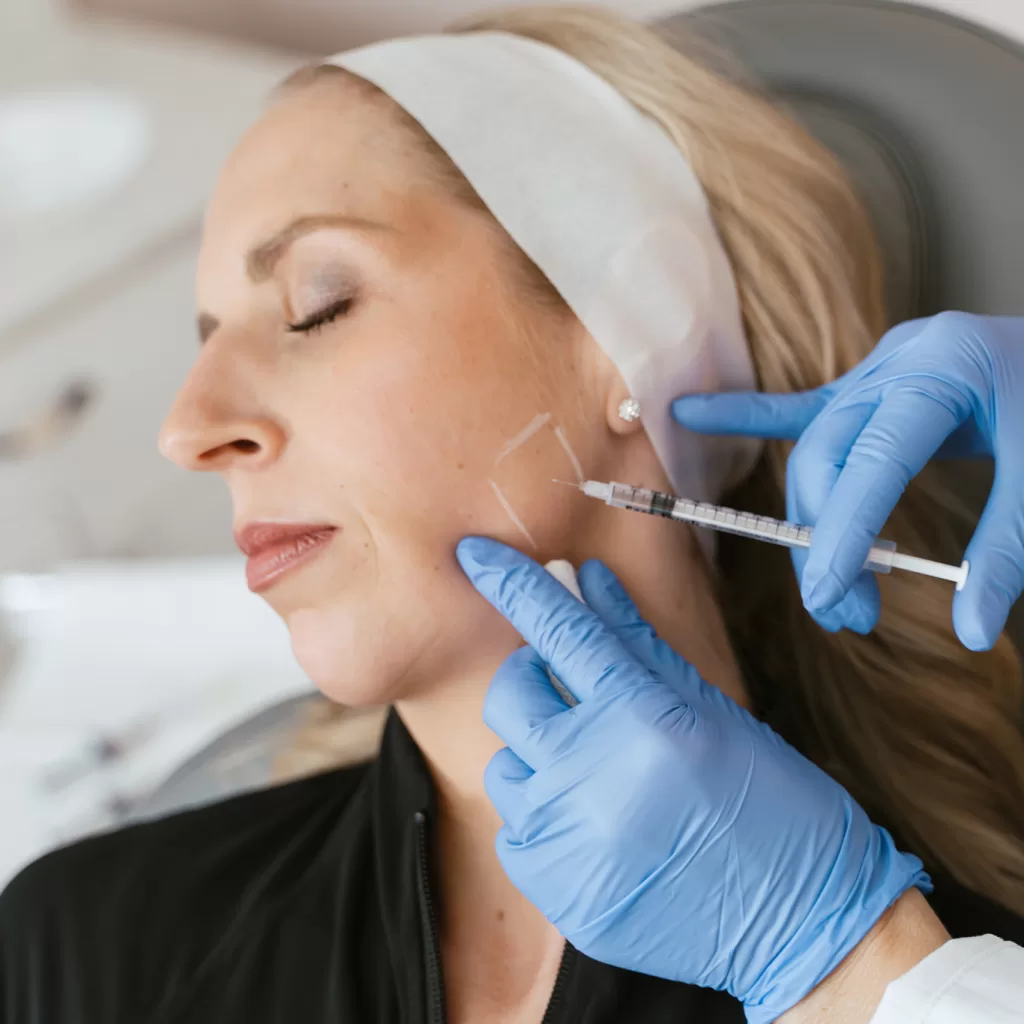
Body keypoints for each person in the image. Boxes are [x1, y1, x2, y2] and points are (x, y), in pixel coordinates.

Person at [1, 6, 1022, 1023]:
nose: (191, 429)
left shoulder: (948, 938)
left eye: (316, 303)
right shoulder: (87, 947)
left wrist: (841, 966)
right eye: (206, 341)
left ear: (631, 339)